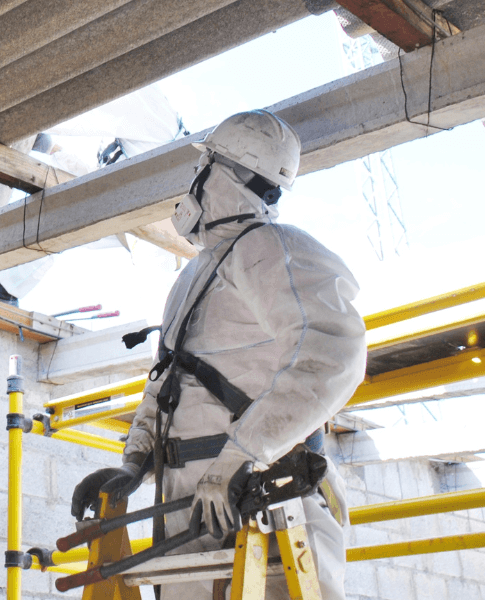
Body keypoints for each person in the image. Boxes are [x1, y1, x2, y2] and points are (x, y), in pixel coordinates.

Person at [70, 110, 367, 599]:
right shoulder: (196, 274)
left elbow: (334, 354)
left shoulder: (272, 250)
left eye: (201, 167)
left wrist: (242, 457)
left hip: (263, 497)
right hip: (191, 501)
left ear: (220, 173)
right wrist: (134, 466)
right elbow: (167, 384)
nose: (194, 183)